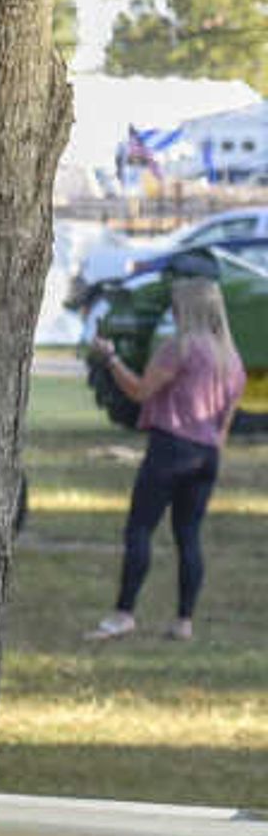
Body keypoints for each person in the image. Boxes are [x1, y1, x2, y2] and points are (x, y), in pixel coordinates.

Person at [89, 270, 248, 642]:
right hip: (206, 454)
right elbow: (224, 425)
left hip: (171, 447)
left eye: (176, 307)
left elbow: (140, 392)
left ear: (187, 311)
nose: (172, 314)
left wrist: (110, 360)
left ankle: (124, 613)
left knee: (140, 528)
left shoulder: (180, 349)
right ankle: (184, 621)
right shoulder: (232, 360)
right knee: (188, 535)